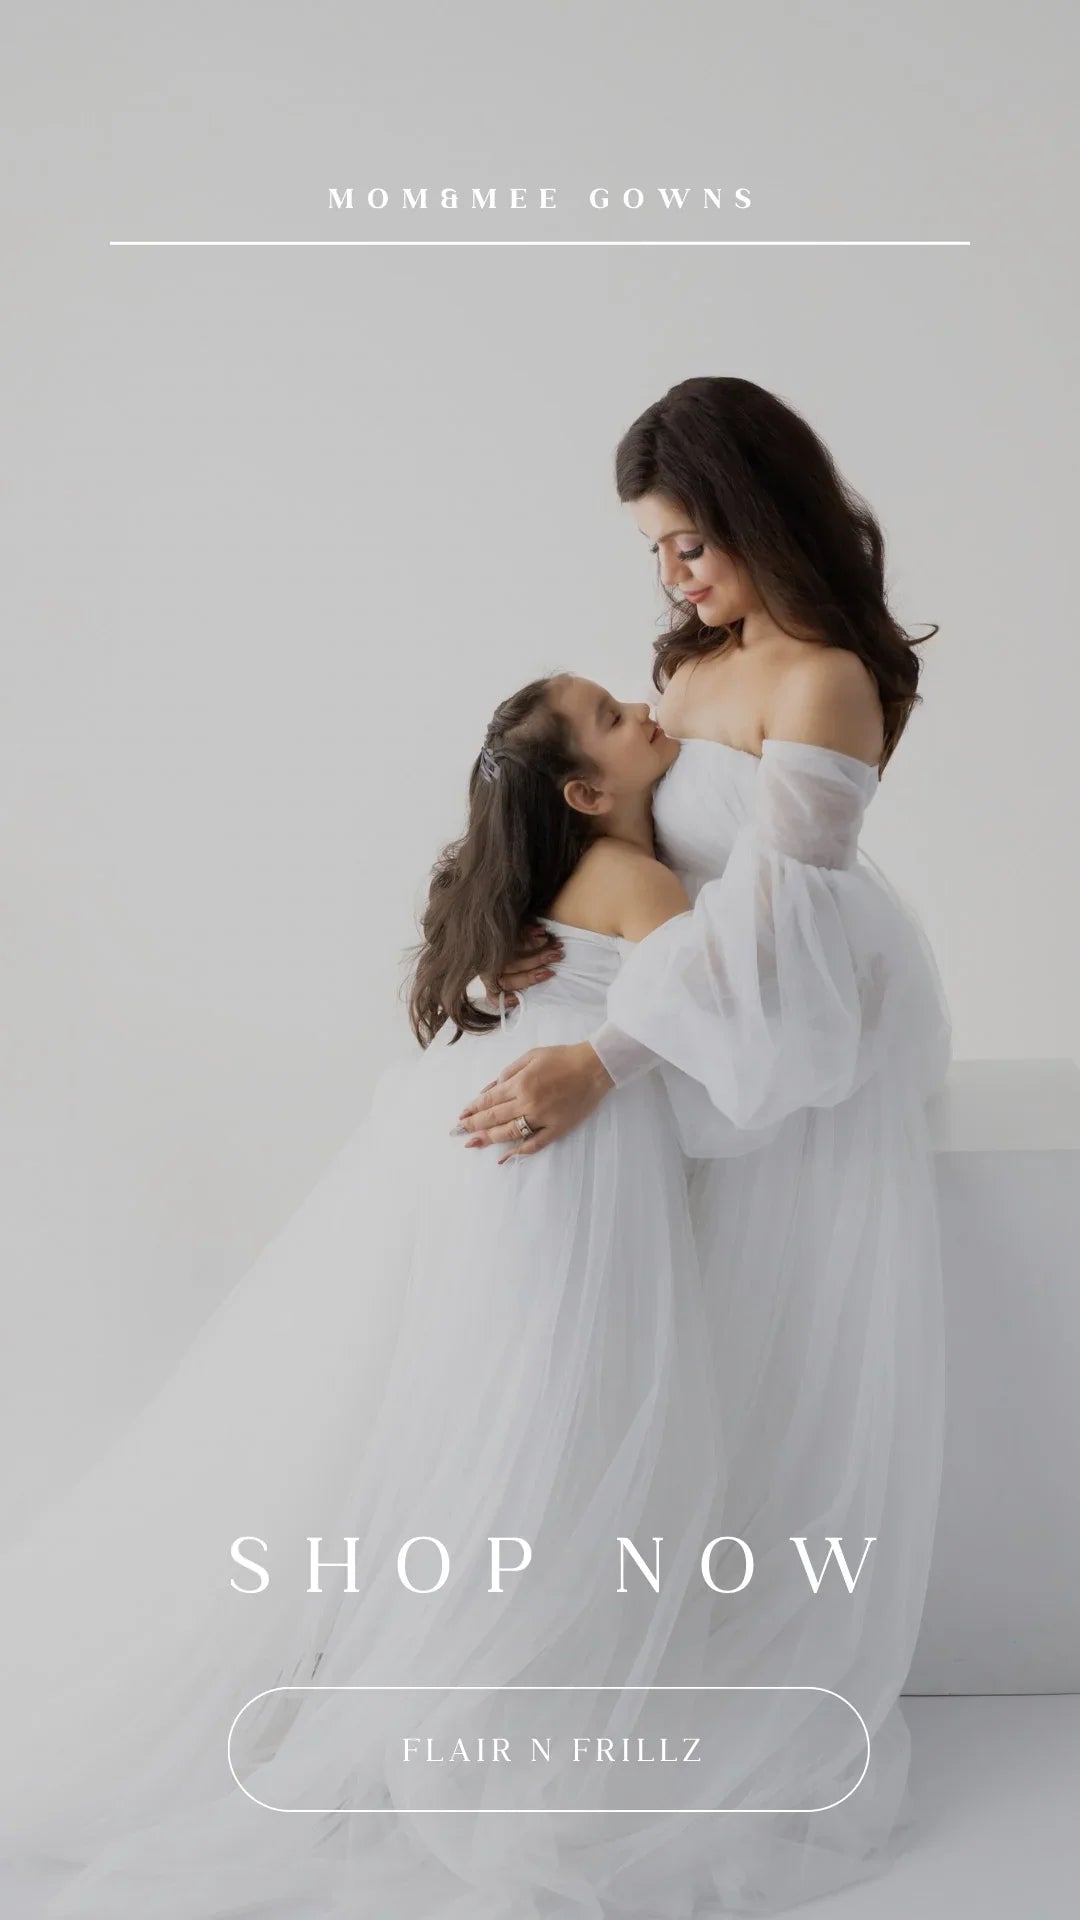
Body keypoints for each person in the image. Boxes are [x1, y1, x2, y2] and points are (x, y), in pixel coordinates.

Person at [0, 671, 791, 1919]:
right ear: (588, 793)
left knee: (481, 1416)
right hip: (566, 1175)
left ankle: (423, 1661)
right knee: (556, 1427)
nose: (644, 715)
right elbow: (732, 1050)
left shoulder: (549, 888)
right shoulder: (639, 885)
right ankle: (497, 1686)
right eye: (612, 719)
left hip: (476, 1162)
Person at [458, 376, 955, 1908]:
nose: (671, 585)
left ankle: (738, 1630)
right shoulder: (697, 657)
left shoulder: (824, 684)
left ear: (760, 515)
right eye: (656, 558)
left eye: (692, 546)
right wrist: (530, 930)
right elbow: (623, 824)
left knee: (780, 1336)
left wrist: (606, 1056)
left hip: (809, 1027)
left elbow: (771, 940)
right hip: (704, 999)